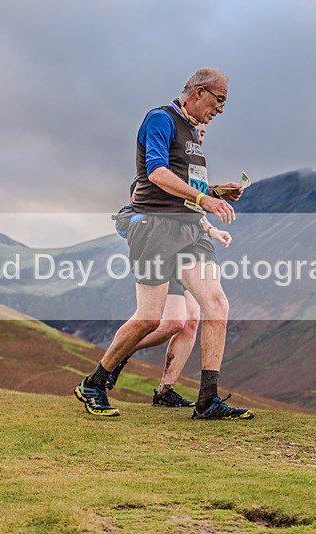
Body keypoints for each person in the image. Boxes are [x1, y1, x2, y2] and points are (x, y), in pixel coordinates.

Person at [75, 67, 254, 420]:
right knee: (149, 319)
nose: (221, 109)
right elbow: (157, 173)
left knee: (215, 303)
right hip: (155, 228)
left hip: (189, 231)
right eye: (219, 100)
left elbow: (188, 184)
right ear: (200, 92)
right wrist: (204, 200)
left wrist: (217, 191)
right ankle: (94, 383)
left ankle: (207, 400)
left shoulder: (194, 132)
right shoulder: (160, 119)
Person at [107, 122, 233, 410]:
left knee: (191, 321)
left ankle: (165, 391)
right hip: (162, 244)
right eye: (196, 131)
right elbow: (161, 202)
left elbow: (189, 207)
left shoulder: (193, 167)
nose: (199, 136)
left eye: (203, 133)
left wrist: (212, 229)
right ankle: (118, 356)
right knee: (170, 322)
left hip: (188, 243)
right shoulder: (164, 161)